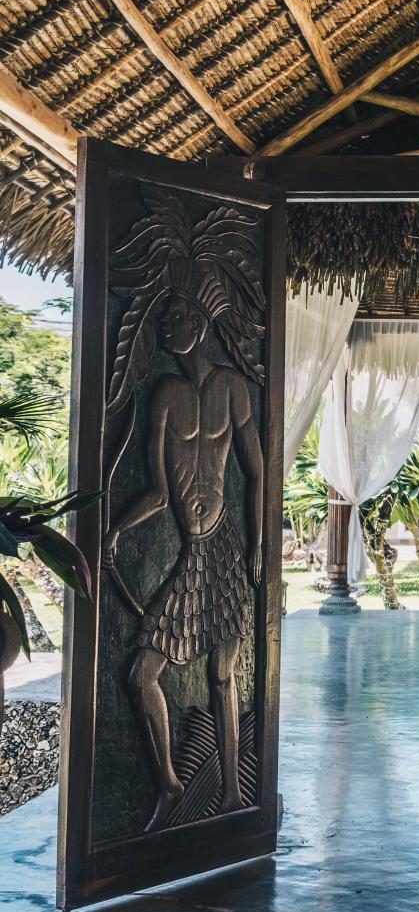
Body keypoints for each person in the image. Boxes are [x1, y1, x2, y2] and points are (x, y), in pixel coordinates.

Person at [104, 288, 263, 833]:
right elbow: (157, 492)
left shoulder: (232, 388)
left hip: (225, 550)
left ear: (198, 321)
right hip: (193, 553)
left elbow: (257, 472)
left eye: (175, 316)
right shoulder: (165, 396)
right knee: (142, 673)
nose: (165, 328)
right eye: (162, 319)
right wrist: (115, 530)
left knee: (222, 673)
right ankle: (170, 785)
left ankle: (233, 796)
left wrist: (259, 543)